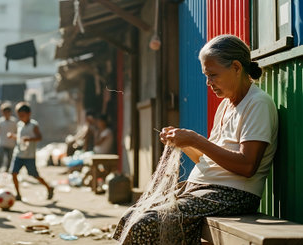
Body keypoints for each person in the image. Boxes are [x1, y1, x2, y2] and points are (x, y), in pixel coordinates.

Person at [113, 34, 278, 244]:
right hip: (204, 190)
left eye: (213, 75)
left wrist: (196, 139)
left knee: (145, 224)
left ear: (236, 67)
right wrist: (185, 142)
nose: (209, 83)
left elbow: (247, 166)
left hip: (233, 195)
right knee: (133, 215)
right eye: (206, 76)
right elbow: (207, 160)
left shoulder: (258, 104)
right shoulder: (226, 105)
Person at [8, 102, 54, 201]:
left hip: (29, 156)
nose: (21, 117)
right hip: (18, 154)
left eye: (23, 115)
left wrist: (29, 139)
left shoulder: (34, 125)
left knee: (34, 175)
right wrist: (13, 136)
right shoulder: (19, 124)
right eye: (19, 116)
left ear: (29, 114)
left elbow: (39, 137)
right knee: (13, 173)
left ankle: (49, 187)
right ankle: (18, 194)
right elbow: (20, 138)